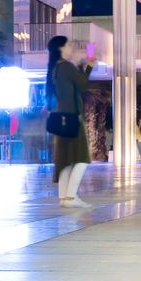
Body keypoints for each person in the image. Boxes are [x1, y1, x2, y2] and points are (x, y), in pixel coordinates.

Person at [46, 35, 92, 207]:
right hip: (72, 118)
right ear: (61, 49)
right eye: (69, 45)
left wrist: (80, 65)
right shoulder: (66, 66)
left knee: (65, 160)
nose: (72, 47)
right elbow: (82, 85)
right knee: (82, 158)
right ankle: (71, 197)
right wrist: (90, 65)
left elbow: (73, 84)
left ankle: (64, 197)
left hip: (60, 119)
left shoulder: (56, 68)